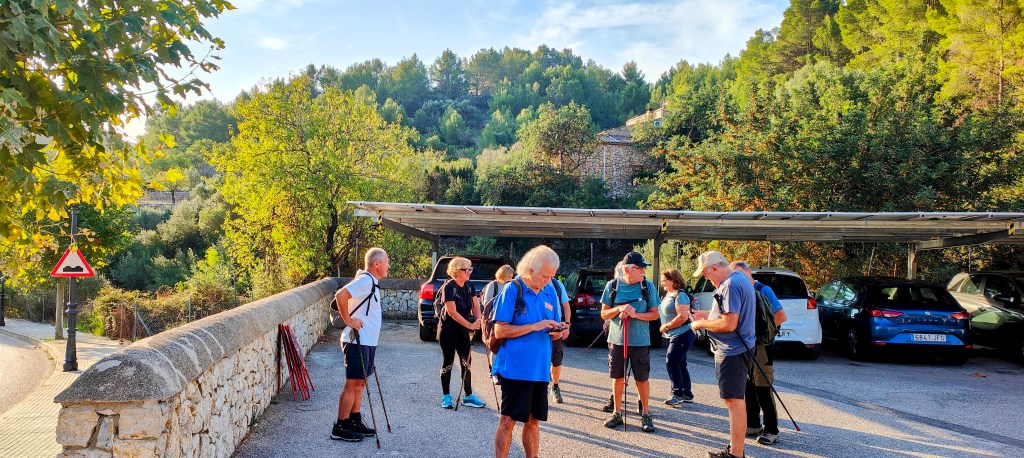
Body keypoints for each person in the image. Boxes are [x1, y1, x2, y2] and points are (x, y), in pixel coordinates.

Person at [492, 245, 565, 458]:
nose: (548, 280)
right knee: (508, 420)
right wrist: (536, 325)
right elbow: (500, 329)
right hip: (515, 369)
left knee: (534, 421)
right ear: (530, 269)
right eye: (545, 275)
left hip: (541, 369)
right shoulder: (513, 289)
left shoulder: (551, 288)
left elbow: (556, 331)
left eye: (552, 275)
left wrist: (558, 330)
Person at [690, 251, 755, 458]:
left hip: (732, 351)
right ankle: (736, 449)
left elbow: (729, 323)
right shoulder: (740, 279)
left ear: (714, 268)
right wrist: (707, 316)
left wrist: (700, 323)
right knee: (735, 400)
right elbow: (729, 315)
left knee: (734, 402)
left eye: (705, 274)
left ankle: (736, 454)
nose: (706, 279)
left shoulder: (730, 285)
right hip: (740, 348)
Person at [330, 248, 389, 442]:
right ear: (377, 264)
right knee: (352, 383)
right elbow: (340, 295)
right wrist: (348, 320)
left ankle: (354, 421)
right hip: (356, 341)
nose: (389, 266)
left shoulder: (372, 282)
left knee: (361, 383)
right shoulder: (365, 280)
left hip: (367, 341)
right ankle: (340, 426)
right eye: (386, 262)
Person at [600, 252, 660, 433]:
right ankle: (617, 412)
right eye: (639, 267)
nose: (643, 270)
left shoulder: (647, 286)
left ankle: (646, 414)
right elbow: (604, 314)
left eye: (644, 267)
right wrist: (619, 308)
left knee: (642, 378)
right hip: (617, 340)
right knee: (617, 378)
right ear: (627, 269)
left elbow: (655, 314)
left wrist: (635, 314)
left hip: (640, 341)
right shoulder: (612, 286)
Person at [730, 261, 787, 446]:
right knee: (748, 386)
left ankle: (772, 430)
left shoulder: (764, 290)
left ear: (749, 271)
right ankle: (753, 425)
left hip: (762, 347)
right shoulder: (740, 291)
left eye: (740, 273)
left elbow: (780, 316)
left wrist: (760, 336)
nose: (738, 278)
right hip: (746, 346)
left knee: (763, 387)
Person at [438, 257, 486, 409]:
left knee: (467, 362)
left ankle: (468, 395)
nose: (469, 272)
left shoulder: (469, 285)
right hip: (448, 329)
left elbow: (476, 306)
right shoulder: (448, 287)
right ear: (456, 271)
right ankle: (446, 395)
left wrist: (478, 320)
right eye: (467, 270)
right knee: (448, 362)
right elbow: (452, 312)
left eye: (470, 269)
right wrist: (470, 324)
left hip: (462, 329)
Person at [658, 268, 696, 407]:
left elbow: (683, 317)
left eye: (664, 281)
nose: (662, 284)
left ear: (674, 281)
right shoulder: (669, 294)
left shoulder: (680, 295)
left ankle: (677, 394)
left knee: (672, 361)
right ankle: (687, 393)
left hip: (682, 333)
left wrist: (666, 326)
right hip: (673, 334)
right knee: (680, 363)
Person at [549, 276, 571, 403]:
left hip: (556, 330)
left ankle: (555, 387)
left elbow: (566, 306)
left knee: (556, 360)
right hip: (538, 331)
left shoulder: (557, 284)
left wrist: (567, 325)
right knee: (540, 360)